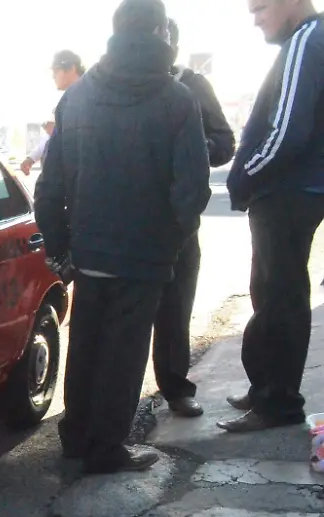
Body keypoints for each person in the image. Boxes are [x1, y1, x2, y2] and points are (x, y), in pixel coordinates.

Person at [35, 0, 210, 473]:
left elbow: (48, 187)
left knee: (88, 342)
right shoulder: (177, 100)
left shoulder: (78, 97)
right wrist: (171, 241)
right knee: (125, 352)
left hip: (89, 249)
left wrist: (60, 247)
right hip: (145, 256)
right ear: (160, 32)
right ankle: (106, 448)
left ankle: (76, 436)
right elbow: (192, 191)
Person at [221, 0, 324, 432]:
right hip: (291, 190)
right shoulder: (306, 40)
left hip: (287, 191)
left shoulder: (306, 41)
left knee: (280, 296)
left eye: (260, 7)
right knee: (270, 290)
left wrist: (245, 176)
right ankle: (266, 388)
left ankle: (278, 402)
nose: (255, 17)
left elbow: (287, 130)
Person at [152, 17, 238, 418]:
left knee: (175, 307)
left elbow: (225, 143)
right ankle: (106, 400)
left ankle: (174, 387)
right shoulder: (113, 86)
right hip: (128, 220)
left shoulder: (192, 85)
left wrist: (190, 146)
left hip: (179, 221)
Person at [20, 50, 85, 176]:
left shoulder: (90, 98)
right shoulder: (66, 101)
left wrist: (63, 132)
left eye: (56, 71)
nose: (53, 76)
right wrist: (32, 157)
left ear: (71, 69)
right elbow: (52, 138)